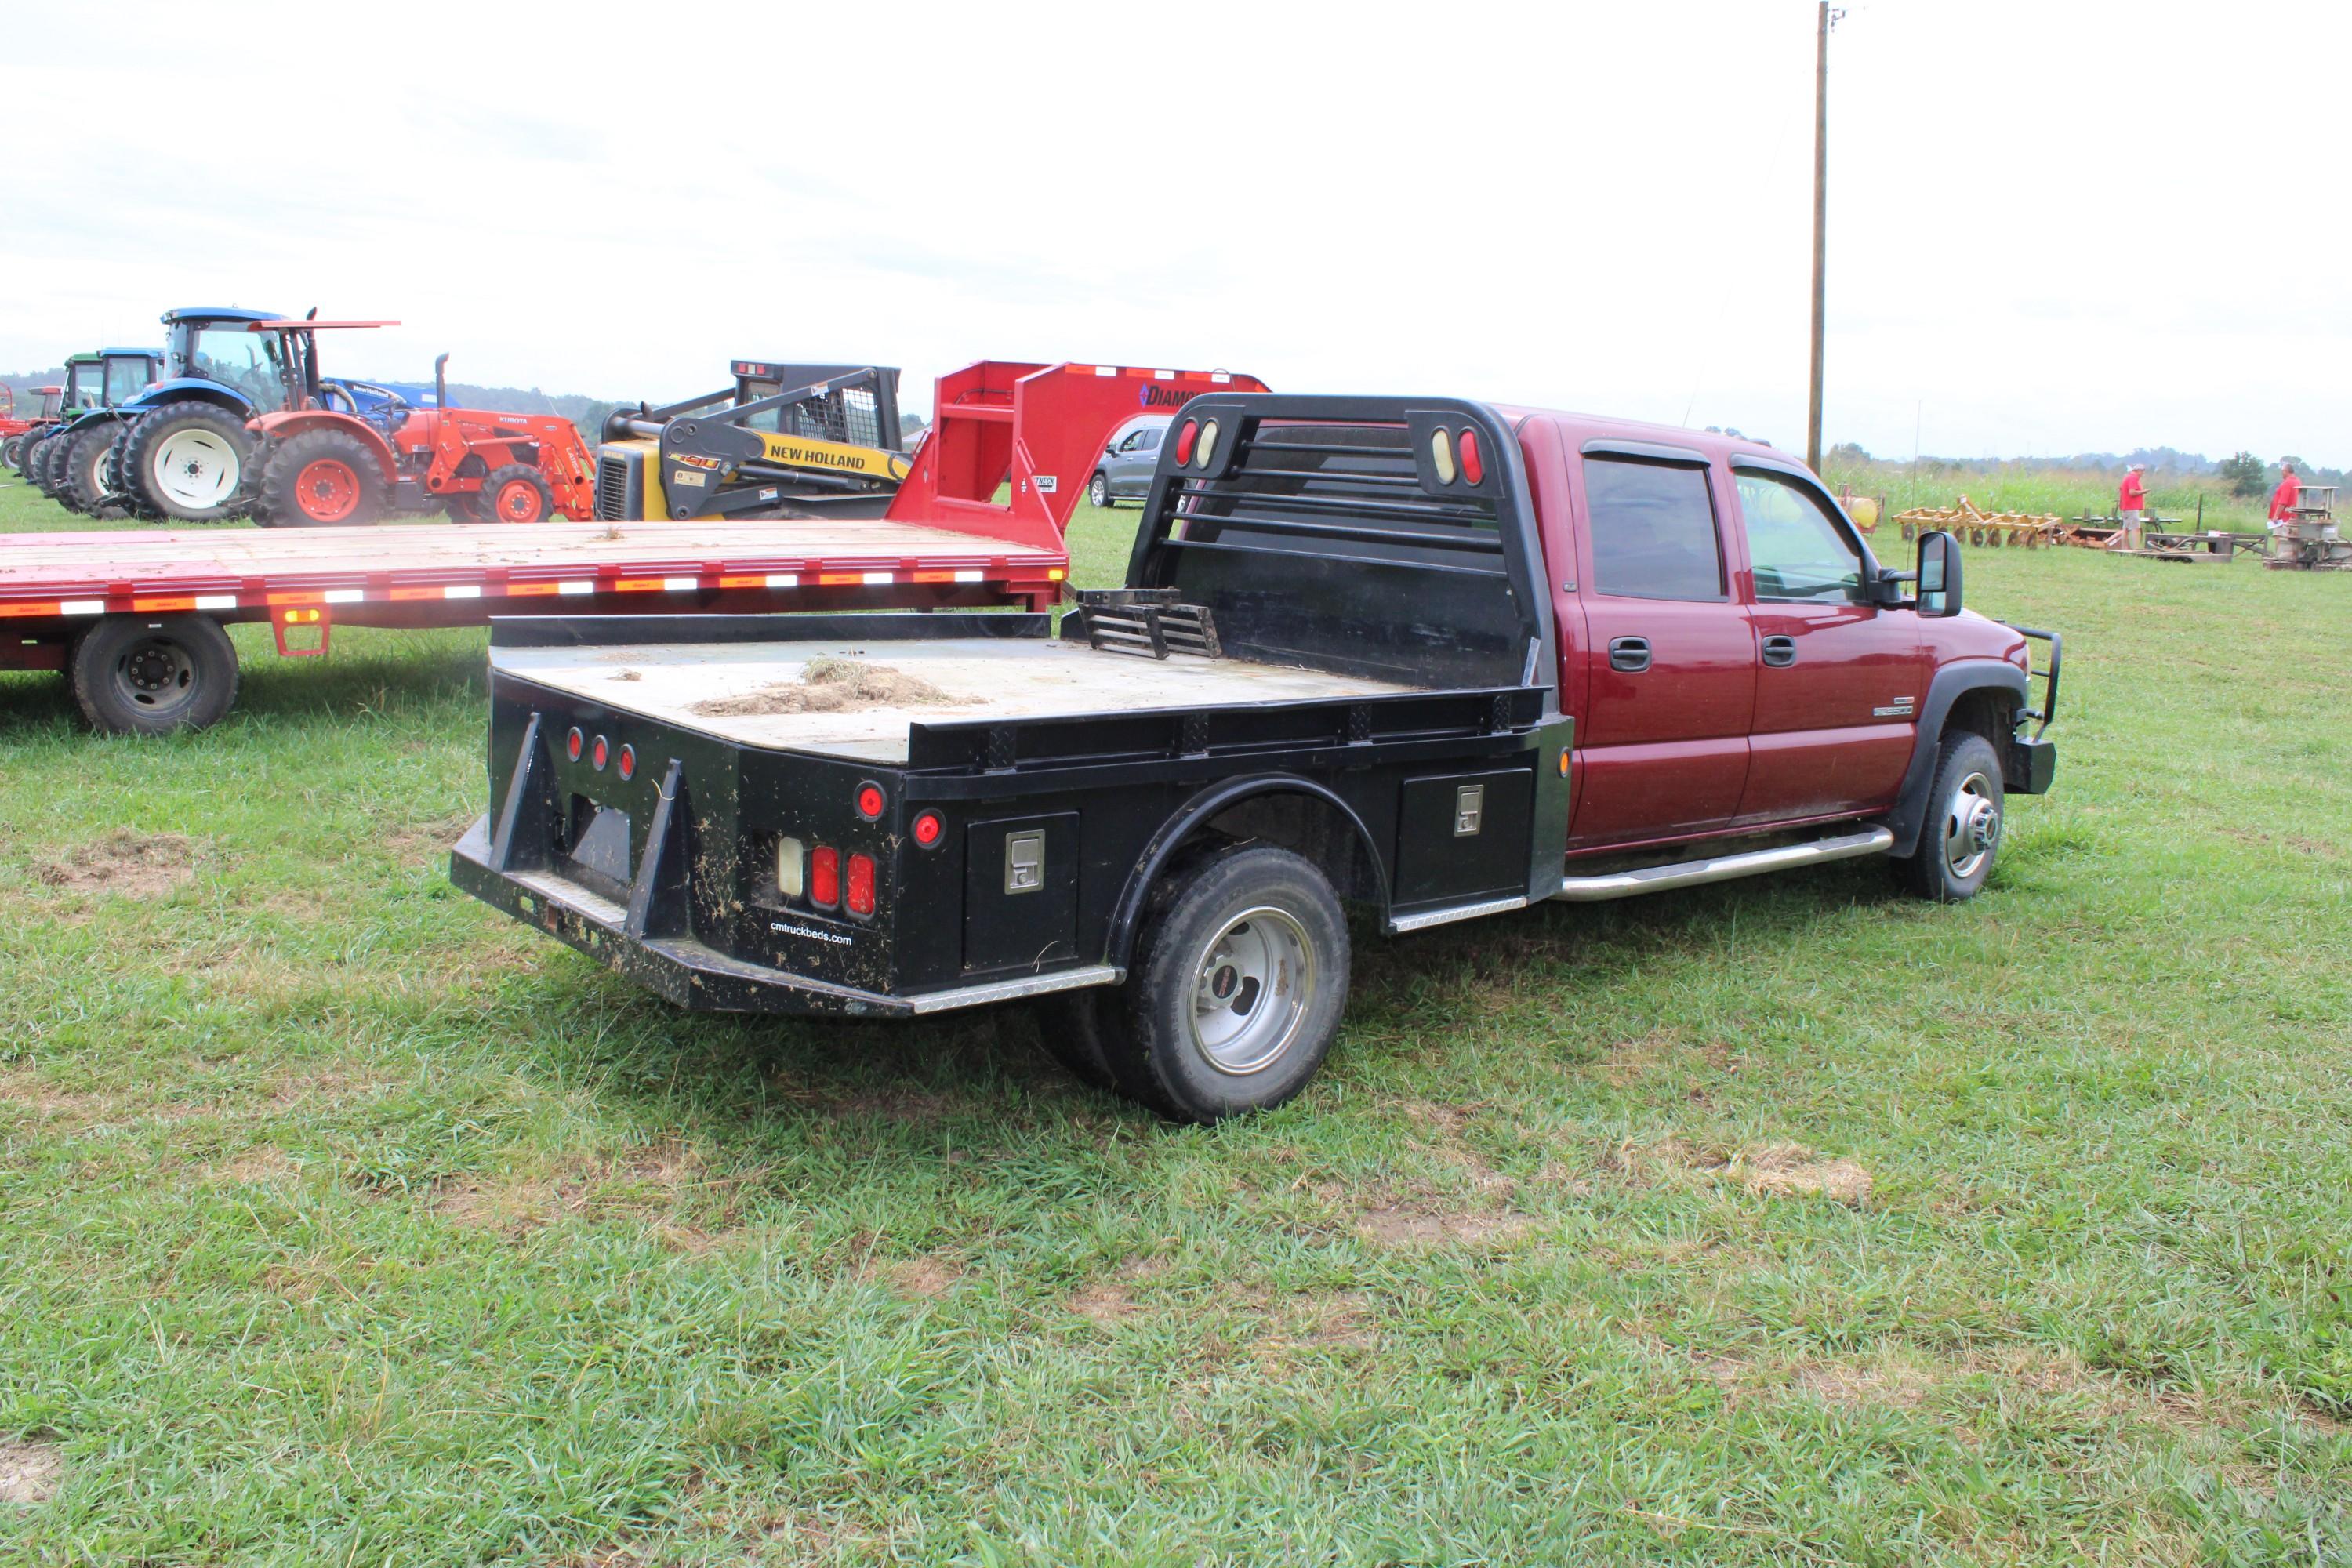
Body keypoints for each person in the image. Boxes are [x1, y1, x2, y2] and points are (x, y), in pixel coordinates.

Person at [2117, 463, 2147, 548]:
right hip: (2131, 507)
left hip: (2126, 507)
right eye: (2142, 471)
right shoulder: (2133, 478)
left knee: (2126, 529)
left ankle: (2124, 548)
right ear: (2138, 471)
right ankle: (2136, 549)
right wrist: (2143, 491)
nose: (2142, 474)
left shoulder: (2128, 477)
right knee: (2136, 529)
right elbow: (2132, 492)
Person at [2269, 463, 2302, 528]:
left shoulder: (2287, 483)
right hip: (2293, 516)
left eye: (2282, 471)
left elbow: (2283, 501)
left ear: (2285, 471)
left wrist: (2276, 516)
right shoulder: (2298, 481)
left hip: (2284, 517)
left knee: (2278, 535)